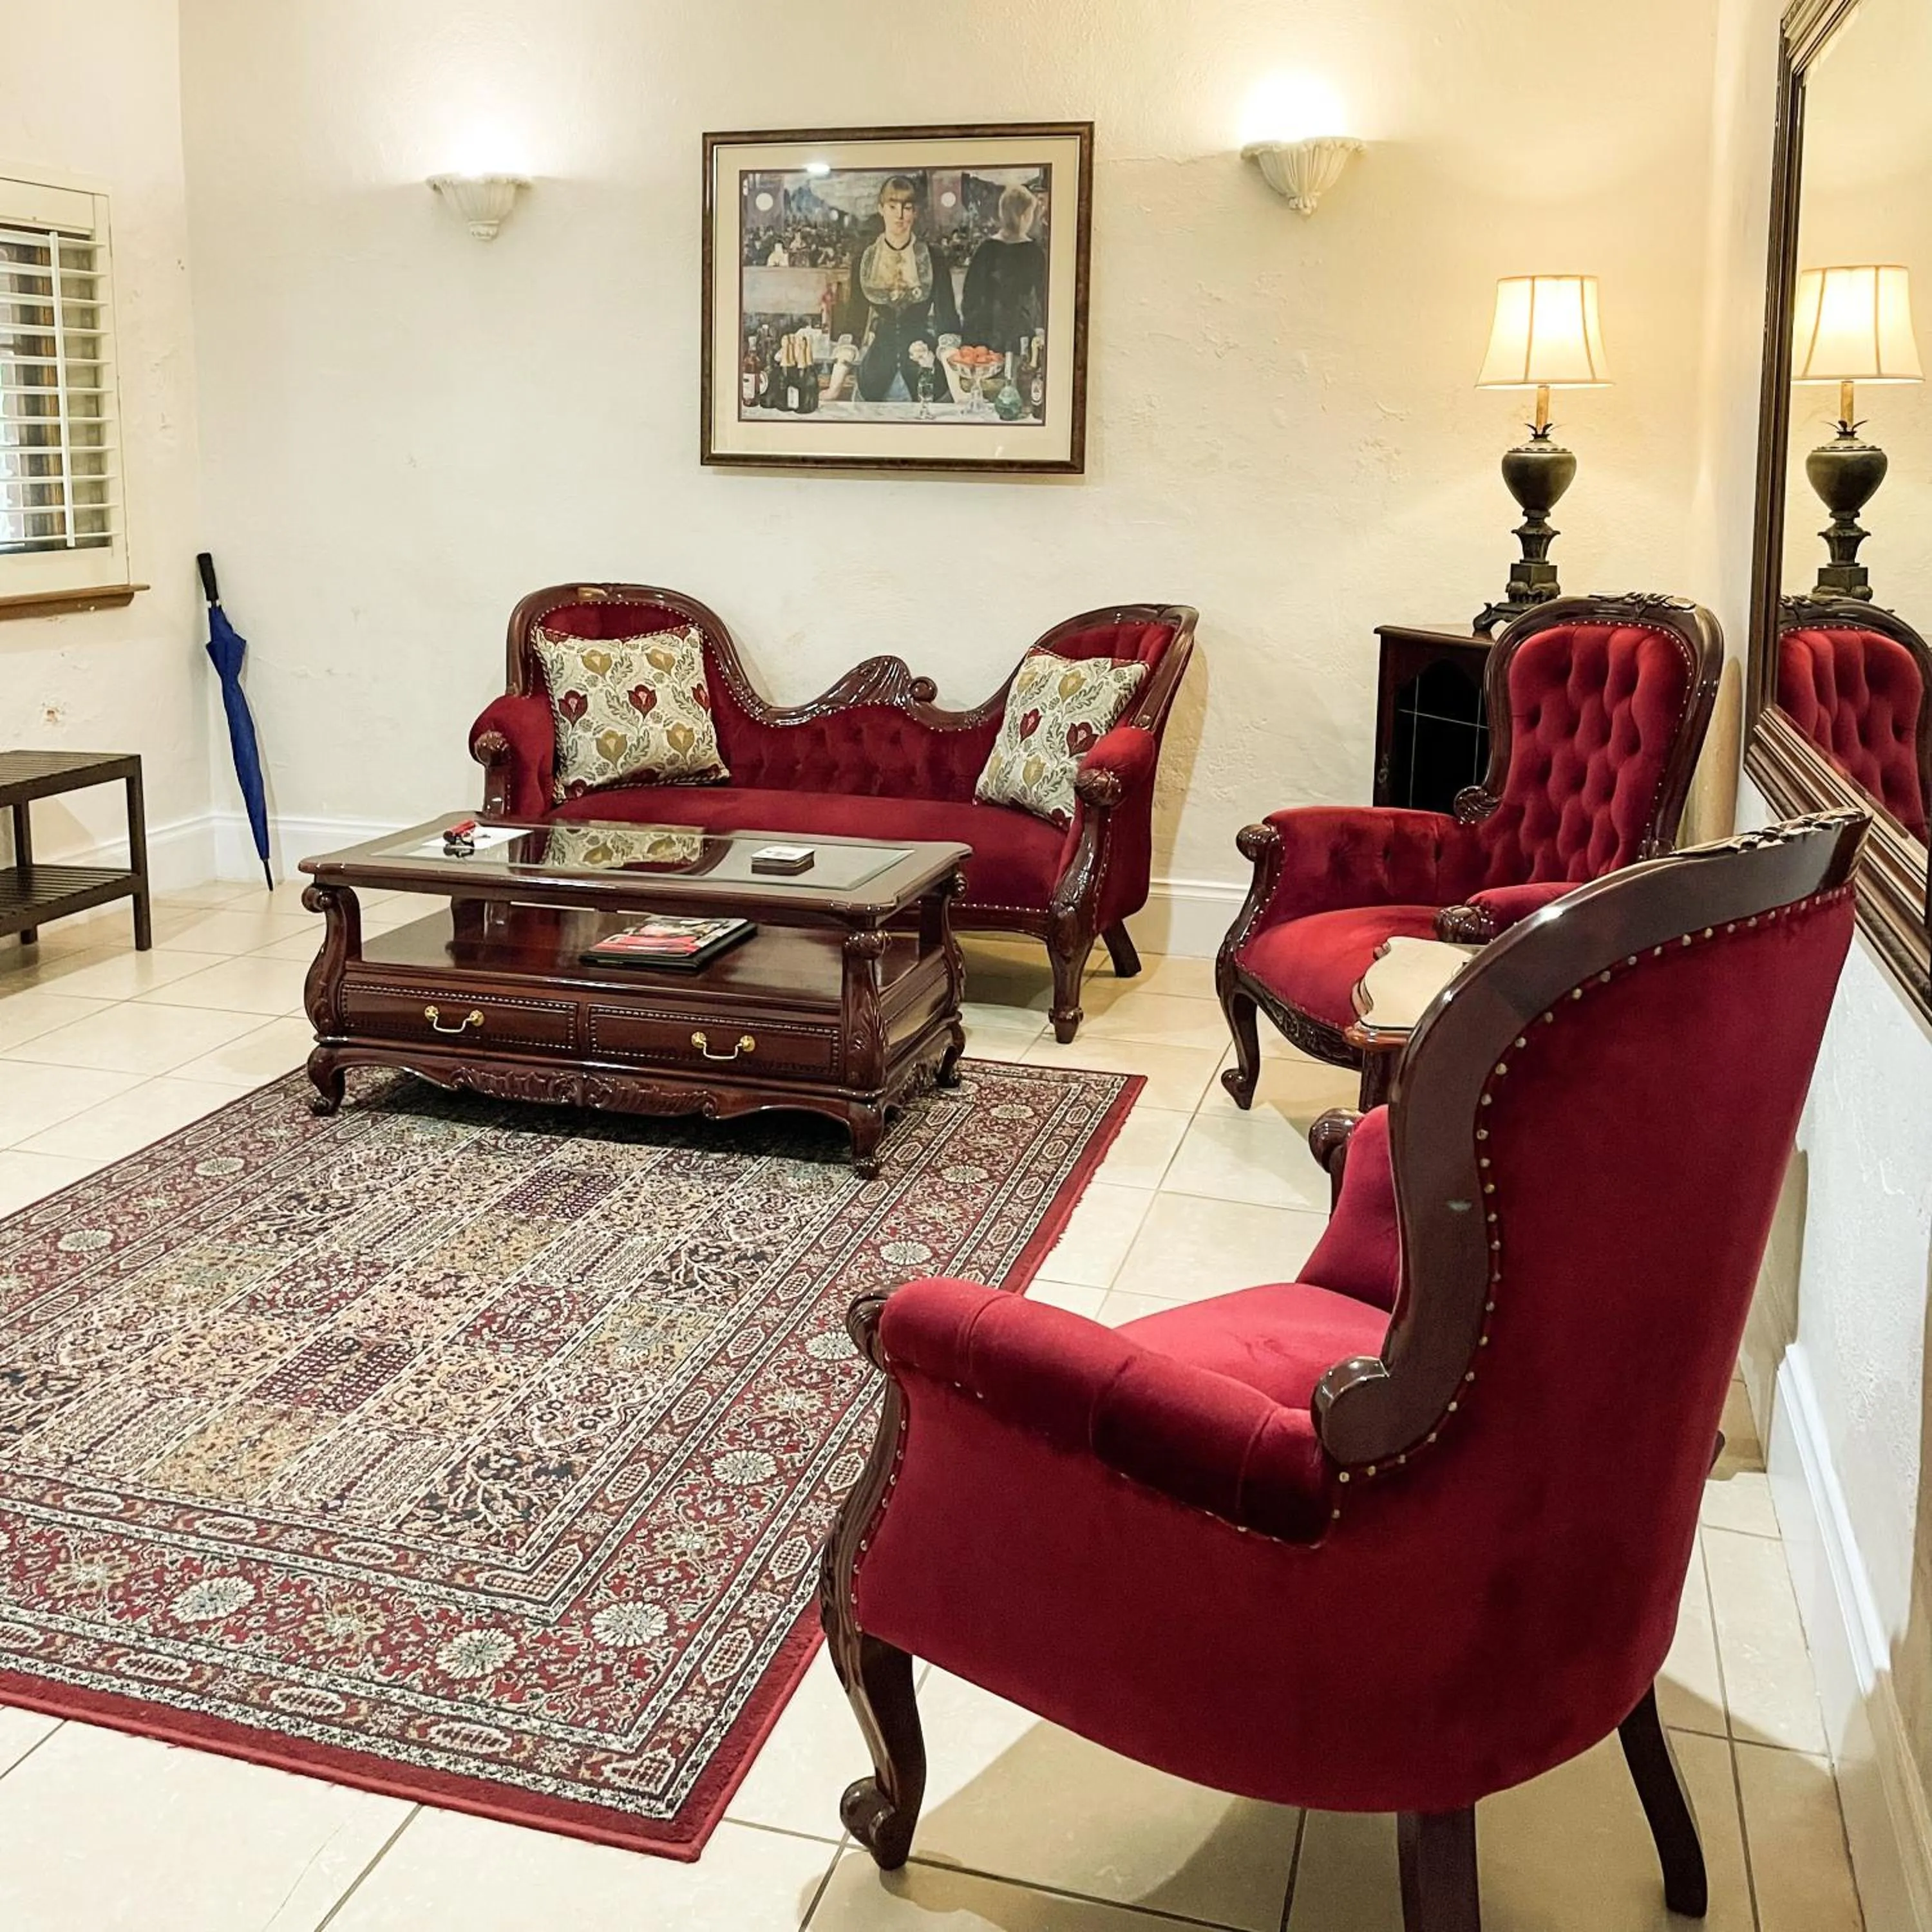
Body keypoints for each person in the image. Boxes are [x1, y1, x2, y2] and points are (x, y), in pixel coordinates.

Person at [840, 175, 961, 404]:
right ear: (881, 209)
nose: (900, 215)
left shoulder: (933, 258)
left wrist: (958, 391)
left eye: (907, 208)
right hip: (875, 377)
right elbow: (854, 323)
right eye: (892, 206)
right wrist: (834, 389)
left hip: (925, 374)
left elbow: (947, 323)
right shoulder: (864, 259)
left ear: (915, 213)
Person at [961, 182, 1046, 357]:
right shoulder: (1035, 253)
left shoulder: (985, 249)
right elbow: (1043, 299)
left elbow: (970, 297)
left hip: (983, 337)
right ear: (1024, 216)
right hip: (1020, 337)